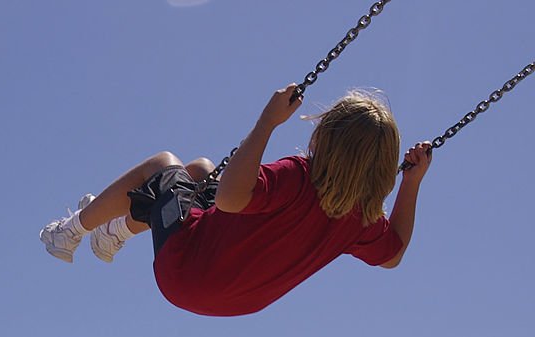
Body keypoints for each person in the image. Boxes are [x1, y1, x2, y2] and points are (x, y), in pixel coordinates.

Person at [39, 84, 433, 317]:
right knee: (199, 170)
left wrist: (267, 122)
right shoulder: (358, 220)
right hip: (236, 301)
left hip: (188, 272)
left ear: (325, 138)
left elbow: (230, 200)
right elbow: (394, 253)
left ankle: (70, 231)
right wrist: (411, 183)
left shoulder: (296, 177)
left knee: (162, 164)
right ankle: (115, 234)